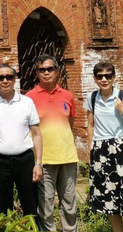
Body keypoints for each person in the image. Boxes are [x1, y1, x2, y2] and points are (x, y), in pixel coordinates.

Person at [85, 62, 123, 232]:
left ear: (113, 77)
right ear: (95, 78)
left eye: (108, 76)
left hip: (120, 148)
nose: (104, 79)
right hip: (100, 149)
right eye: (100, 76)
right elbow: (90, 125)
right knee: (109, 196)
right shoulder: (92, 98)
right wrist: (91, 149)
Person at [0, 62, 43, 217]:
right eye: (0, 77)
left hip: (25, 159)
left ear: (15, 79)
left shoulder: (27, 102)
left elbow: (36, 134)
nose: (5, 81)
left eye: (9, 77)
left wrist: (38, 163)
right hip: (0, 161)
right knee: (3, 207)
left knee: (30, 204)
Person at [26, 54, 78, 232]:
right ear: (37, 72)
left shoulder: (67, 96)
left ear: (57, 71)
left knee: (69, 203)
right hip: (44, 160)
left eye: (50, 69)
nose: (46, 72)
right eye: (42, 69)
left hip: (68, 157)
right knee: (46, 206)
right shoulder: (29, 98)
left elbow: (70, 124)